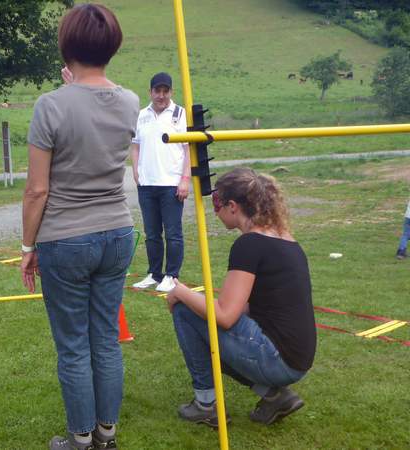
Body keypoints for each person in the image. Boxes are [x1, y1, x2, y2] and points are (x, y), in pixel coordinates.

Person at [20, 4, 139, 449]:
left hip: (66, 238)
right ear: (112, 45)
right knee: (105, 339)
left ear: (66, 47)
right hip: (117, 232)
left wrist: (27, 244)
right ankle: (106, 434)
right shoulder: (130, 101)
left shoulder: (50, 105)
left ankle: (81, 439)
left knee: (74, 345)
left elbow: (36, 190)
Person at [166, 167, 315, 427]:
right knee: (200, 313)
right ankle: (274, 396)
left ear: (232, 206)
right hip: (296, 358)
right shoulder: (286, 239)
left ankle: (205, 404)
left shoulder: (249, 244)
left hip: (278, 359)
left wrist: (180, 291)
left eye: (218, 205)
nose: (215, 212)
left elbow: (225, 316)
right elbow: (248, 307)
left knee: (185, 312)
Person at [130, 72, 191, 293]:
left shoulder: (180, 114)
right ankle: (154, 274)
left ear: (171, 92)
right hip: (147, 184)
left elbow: (188, 148)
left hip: (171, 183)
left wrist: (185, 179)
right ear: (151, 92)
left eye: (165, 91)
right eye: (158, 91)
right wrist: (136, 170)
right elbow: (135, 145)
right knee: (152, 233)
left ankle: (172, 275)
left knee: (173, 232)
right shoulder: (141, 115)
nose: (161, 96)